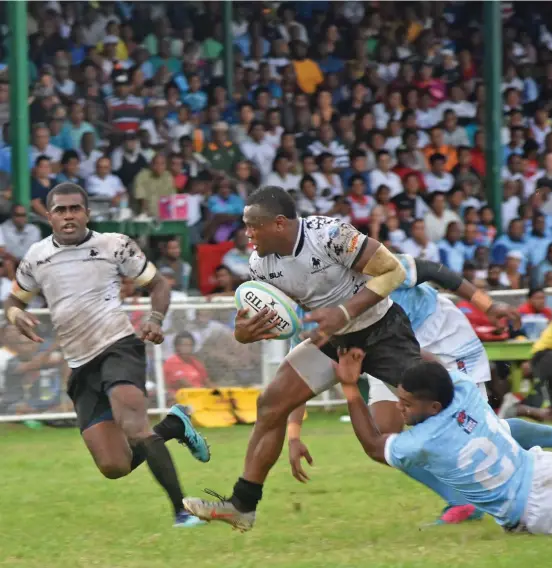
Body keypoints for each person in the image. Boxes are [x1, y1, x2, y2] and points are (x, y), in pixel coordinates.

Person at [183, 185, 419, 531]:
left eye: (253, 225)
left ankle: (489, 464)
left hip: (383, 331)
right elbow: (272, 320)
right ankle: (242, 505)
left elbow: (394, 271)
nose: (247, 234)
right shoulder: (259, 265)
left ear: (279, 223)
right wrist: (244, 334)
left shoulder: (330, 235)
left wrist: (343, 311)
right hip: (331, 339)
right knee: (271, 403)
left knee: (432, 407)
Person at [4, 183, 210, 528]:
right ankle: (174, 425)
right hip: (79, 364)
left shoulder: (114, 245)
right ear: (49, 216)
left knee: (134, 425)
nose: (68, 216)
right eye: (60, 210)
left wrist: (155, 318)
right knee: (114, 466)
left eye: (75, 209)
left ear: (87, 212)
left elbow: (159, 285)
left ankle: (182, 510)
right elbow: (13, 300)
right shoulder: (36, 256)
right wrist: (15, 315)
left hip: (118, 346)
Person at [288, 253, 521, 523]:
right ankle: (461, 502)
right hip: (384, 353)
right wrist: (294, 437)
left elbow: (435, 270)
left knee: (477, 429)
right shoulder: (304, 315)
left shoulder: (362, 263)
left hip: (439, 336)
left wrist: (488, 305)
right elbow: (299, 377)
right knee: (385, 437)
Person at [333, 350, 552, 534]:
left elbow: (373, 445)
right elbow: (434, 366)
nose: (399, 408)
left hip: (542, 504)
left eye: (407, 404)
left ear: (433, 407)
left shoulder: (422, 441)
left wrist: (350, 387)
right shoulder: (464, 389)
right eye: (400, 400)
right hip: (546, 465)